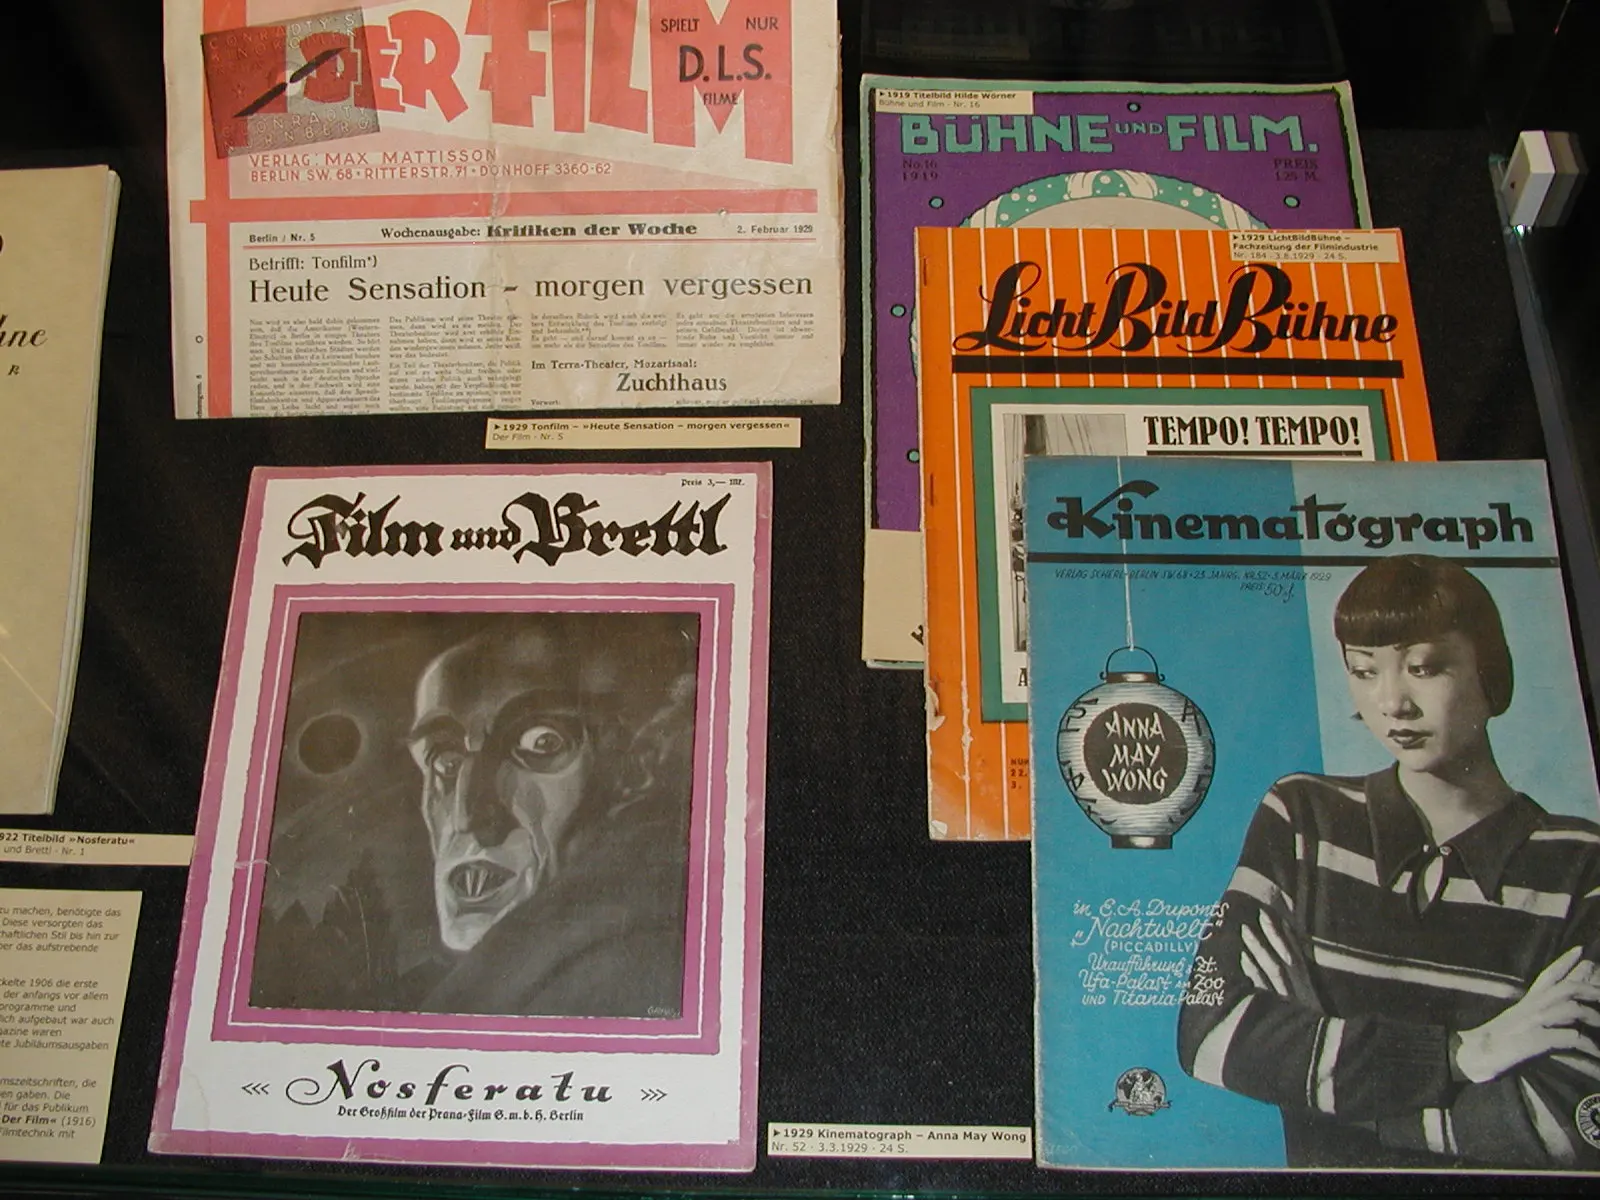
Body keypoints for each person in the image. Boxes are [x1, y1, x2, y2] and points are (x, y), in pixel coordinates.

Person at [1177, 554, 1600, 1168]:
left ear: (1490, 670)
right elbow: (1210, 1033)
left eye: (1423, 668)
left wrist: (1321, 1075)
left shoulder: (1583, 865)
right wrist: (1462, 1054)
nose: (1392, 702)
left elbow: (1570, 1121)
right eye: (1364, 671)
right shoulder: (1303, 818)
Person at [406, 612, 698, 1019]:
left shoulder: (643, 961)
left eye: (541, 743)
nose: (468, 816)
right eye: (446, 762)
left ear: (631, 769)